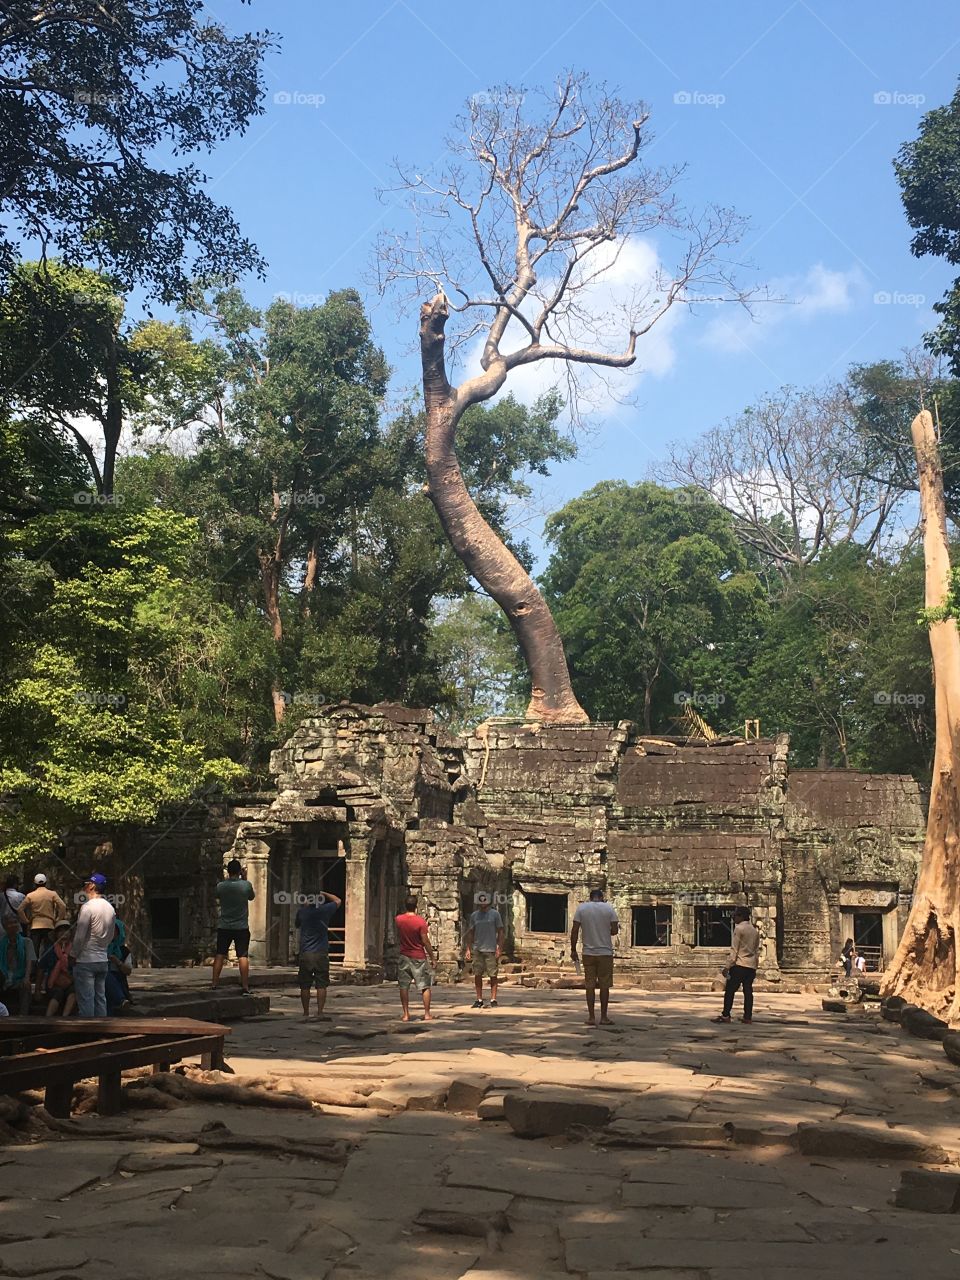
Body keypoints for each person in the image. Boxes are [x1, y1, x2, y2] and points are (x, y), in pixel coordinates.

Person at [571, 888, 620, 1027]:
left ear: (590, 897)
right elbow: (615, 930)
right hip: (605, 952)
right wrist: (605, 930)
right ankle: (604, 1017)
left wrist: (573, 949)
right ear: (602, 897)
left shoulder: (582, 908)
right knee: (605, 985)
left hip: (588, 952)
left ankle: (591, 1017)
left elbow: (574, 930)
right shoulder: (609, 908)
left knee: (590, 985)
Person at [70, 873, 116, 1018]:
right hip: (102, 959)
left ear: (91, 886)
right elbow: (111, 935)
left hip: (86, 959)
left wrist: (73, 954)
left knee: (86, 1000)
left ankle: (87, 1032)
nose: (84, 887)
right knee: (100, 998)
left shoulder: (87, 907)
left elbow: (80, 936)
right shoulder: (110, 908)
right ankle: (101, 1029)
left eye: (86, 884)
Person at [295, 889, 341, 1019]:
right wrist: (325, 893)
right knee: (321, 983)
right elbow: (338, 900)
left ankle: (306, 1012)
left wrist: (304, 906)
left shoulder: (302, 912)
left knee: (305, 985)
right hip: (321, 951)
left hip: (306, 952)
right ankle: (320, 1011)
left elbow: (297, 924)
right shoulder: (324, 911)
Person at [212, 859, 255, 995]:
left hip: (224, 925)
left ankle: (214, 983)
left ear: (228, 871)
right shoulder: (246, 885)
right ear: (239, 871)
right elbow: (251, 897)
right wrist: (245, 878)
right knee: (242, 956)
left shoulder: (221, 886)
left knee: (219, 954)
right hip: (241, 926)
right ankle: (245, 986)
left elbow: (217, 896)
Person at [714, 906, 761, 1025]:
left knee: (730, 990)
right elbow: (756, 950)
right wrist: (755, 965)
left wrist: (727, 966)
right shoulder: (754, 931)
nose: (733, 917)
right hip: (750, 965)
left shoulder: (739, 929)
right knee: (748, 991)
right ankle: (747, 1016)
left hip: (740, 964)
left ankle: (726, 1015)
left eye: (735, 915)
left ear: (741, 916)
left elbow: (734, 950)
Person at [395, 895, 435, 1022]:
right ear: (416, 906)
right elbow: (425, 941)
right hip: (418, 956)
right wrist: (432, 957)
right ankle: (427, 1013)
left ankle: (406, 1014)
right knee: (425, 986)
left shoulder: (399, 919)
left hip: (403, 955)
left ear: (405, 906)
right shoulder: (420, 922)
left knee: (403, 985)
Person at [464, 893, 505, 1009]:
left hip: (491, 948)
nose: (483, 902)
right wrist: (468, 948)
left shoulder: (495, 914)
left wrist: (499, 947)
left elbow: (501, 931)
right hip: (478, 949)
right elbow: (470, 932)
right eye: (480, 900)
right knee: (477, 974)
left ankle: (493, 999)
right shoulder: (474, 916)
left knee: (493, 975)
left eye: (485, 900)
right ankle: (479, 999)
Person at [36, 923, 76, 1017]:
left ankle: (65, 1017)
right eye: (61, 931)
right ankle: (48, 1018)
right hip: (53, 983)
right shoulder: (50, 949)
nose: (64, 934)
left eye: (67, 931)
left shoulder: (74, 949)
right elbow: (41, 968)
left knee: (74, 991)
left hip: (70, 981)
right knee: (58, 993)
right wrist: (37, 989)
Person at [23, 874, 68, 956]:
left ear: (35, 883)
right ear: (46, 882)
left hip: (35, 925)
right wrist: (58, 919)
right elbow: (63, 906)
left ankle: (34, 967)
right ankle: (47, 967)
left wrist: (26, 921)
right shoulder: (52, 894)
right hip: (49, 925)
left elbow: (20, 909)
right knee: (49, 949)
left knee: (34, 950)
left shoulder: (30, 895)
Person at [0, 915, 36, 1013]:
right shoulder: (1, 943)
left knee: (26, 986)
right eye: (10, 923)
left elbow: (29, 960)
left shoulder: (27, 942)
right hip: (4, 977)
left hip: (19, 977)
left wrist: (27, 977)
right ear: (4, 926)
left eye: (15, 922)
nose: (13, 925)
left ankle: (23, 1016)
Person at [106, 921, 133, 1014]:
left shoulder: (124, 951)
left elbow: (128, 971)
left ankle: (120, 999)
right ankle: (120, 1000)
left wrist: (117, 962)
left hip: (119, 981)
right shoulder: (100, 948)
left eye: (114, 930)